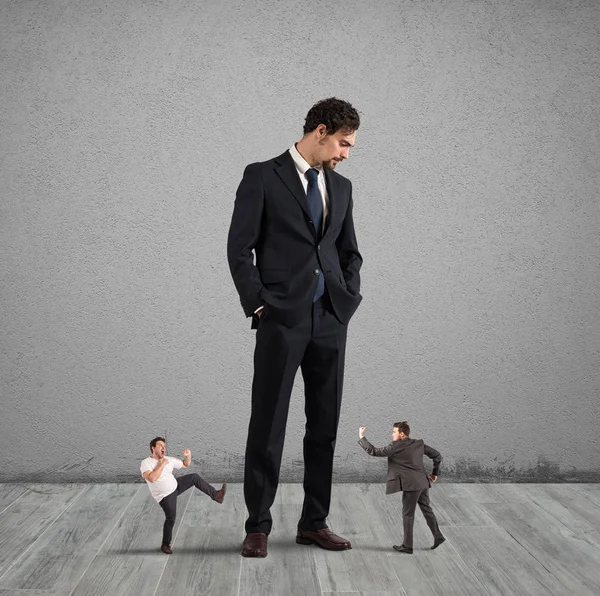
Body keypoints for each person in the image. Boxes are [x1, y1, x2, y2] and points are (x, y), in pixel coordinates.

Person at [227, 97, 363, 558]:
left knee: (323, 426)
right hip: (281, 319)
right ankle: (258, 525)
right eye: (343, 143)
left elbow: (349, 251)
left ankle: (314, 523)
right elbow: (238, 248)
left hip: (330, 320)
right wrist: (259, 305)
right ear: (321, 131)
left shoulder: (341, 188)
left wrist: (347, 299)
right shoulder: (262, 176)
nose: (346, 153)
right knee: (268, 423)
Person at [358, 422, 445, 553]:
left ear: (402, 434)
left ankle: (407, 546)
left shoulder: (395, 446)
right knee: (427, 509)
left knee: (408, 515)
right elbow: (437, 456)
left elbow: (374, 451)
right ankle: (438, 536)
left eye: (394, 432)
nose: (392, 434)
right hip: (423, 482)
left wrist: (361, 437)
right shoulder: (419, 444)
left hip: (411, 486)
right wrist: (434, 473)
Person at [140, 437, 227, 554]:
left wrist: (188, 456)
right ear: (153, 448)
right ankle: (165, 545)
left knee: (194, 477)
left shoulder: (168, 459)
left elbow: (185, 465)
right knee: (171, 519)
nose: (163, 448)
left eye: (164, 446)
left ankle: (216, 495)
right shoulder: (146, 463)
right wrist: (161, 464)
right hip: (165, 497)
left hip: (176, 486)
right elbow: (152, 478)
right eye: (160, 445)